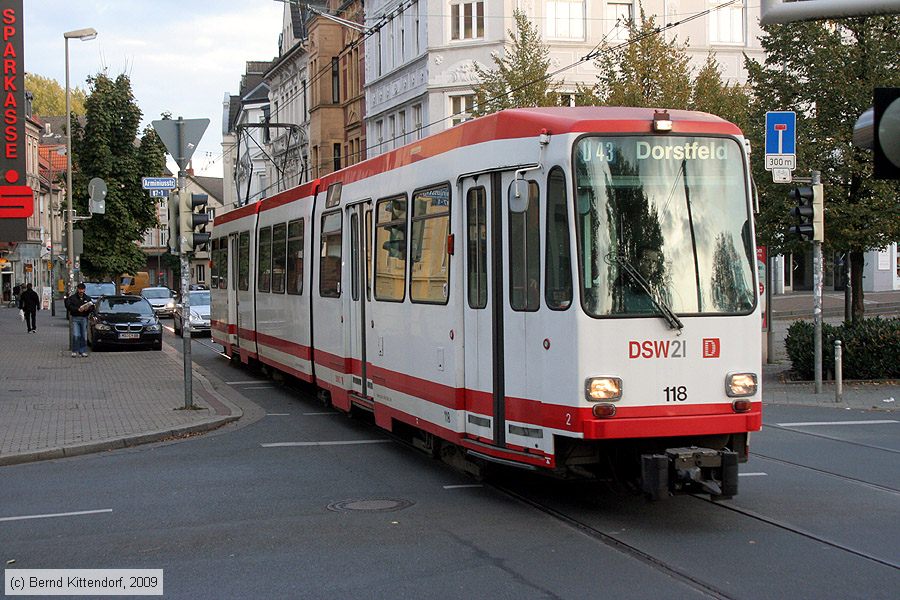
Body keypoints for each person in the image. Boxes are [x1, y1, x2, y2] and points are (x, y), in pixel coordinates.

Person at [65, 283, 93, 357]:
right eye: (80, 289)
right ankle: (74, 350)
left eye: (82, 289)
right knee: (76, 335)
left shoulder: (87, 298)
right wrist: (77, 309)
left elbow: (92, 307)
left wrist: (88, 308)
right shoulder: (72, 298)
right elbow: (68, 306)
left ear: (84, 290)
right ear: (77, 289)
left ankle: (82, 351)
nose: (81, 291)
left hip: (84, 318)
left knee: (83, 335)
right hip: (75, 318)